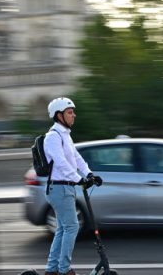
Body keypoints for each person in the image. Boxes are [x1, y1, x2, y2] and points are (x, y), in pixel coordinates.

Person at [43, 97, 102, 275]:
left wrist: (89, 174)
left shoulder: (65, 135)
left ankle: (52, 269)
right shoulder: (52, 137)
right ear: (58, 115)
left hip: (65, 187)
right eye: (70, 113)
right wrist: (80, 180)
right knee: (72, 227)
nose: (73, 115)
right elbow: (61, 164)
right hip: (59, 188)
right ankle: (64, 269)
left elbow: (77, 159)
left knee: (63, 228)